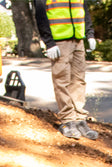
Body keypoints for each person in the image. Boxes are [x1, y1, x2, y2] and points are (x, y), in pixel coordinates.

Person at [33, 0, 97, 140]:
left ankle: (79, 119)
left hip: (78, 40)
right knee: (62, 81)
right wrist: (49, 43)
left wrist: (90, 34)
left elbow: (84, 10)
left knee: (79, 80)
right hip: (59, 42)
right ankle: (68, 120)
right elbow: (41, 15)